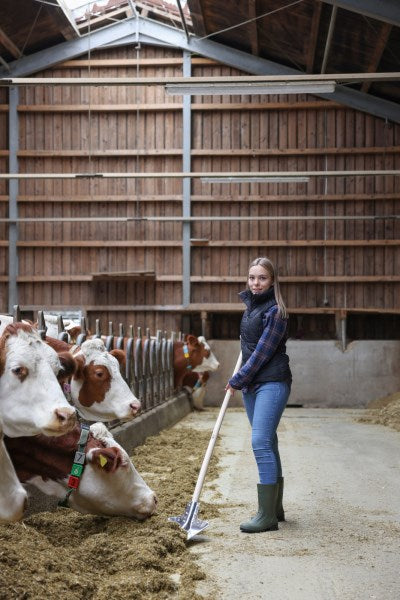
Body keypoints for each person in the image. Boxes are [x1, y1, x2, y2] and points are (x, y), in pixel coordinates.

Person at [225, 257, 292, 533]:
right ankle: (276, 508)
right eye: (252, 278)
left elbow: (263, 353)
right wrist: (243, 378)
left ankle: (266, 516)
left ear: (272, 281)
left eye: (262, 278)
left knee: (260, 441)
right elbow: (249, 349)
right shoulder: (250, 309)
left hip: (272, 382)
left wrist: (238, 379)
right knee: (269, 441)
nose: (255, 283)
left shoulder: (276, 312)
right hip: (253, 384)